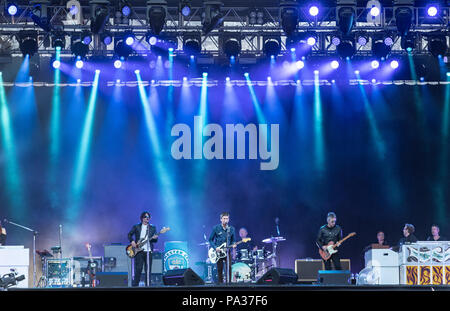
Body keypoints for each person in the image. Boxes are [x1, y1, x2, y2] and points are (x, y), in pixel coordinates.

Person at [127, 211, 158, 287]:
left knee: (148, 270)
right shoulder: (136, 226)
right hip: (139, 251)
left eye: (148, 217)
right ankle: (135, 286)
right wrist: (132, 241)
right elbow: (129, 234)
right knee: (138, 269)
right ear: (141, 218)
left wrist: (155, 238)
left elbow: (155, 240)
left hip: (148, 251)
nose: (146, 219)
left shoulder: (152, 228)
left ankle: (148, 286)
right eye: (145, 217)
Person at [209, 212, 236, 284]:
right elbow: (210, 240)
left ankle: (229, 283)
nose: (225, 220)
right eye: (224, 218)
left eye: (227, 218)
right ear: (221, 219)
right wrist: (215, 247)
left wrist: (233, 244)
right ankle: (220, 285)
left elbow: (233, 240)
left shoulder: (231, 229)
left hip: (227, 251)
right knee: (220, 269)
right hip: (218, 252)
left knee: (229, 267)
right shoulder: (216, 228)